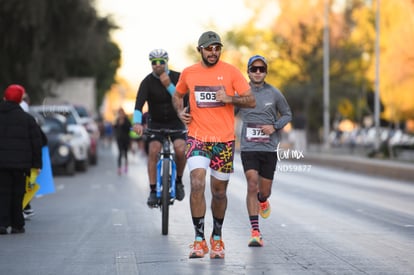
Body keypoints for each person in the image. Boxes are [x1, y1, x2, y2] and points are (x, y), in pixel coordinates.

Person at [172, 31, 256, 259]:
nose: (213, 52)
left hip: (224, 141)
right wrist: (180, 112)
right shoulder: (189, 73)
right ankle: (199, 240)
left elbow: (251, 99)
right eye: (209, 48)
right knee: (197, 183)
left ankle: (216, 238)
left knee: (219, 193)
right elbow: (177, 94)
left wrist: (231, 99)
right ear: (200, 49)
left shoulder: (231, 72)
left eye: (217, 48)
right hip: (197, 137)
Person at [237, 55, 292, 247]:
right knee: (252, 184)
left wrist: (275, 126)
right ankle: (255, 232)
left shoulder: (274, 93)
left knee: (264, 191)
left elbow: (287, 114)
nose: (258, 72)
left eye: (261, 69)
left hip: (268, 148)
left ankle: (263, 200)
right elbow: (228, 113)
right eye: (254, 69)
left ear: (266, 72)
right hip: (248, 147)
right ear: (248, 71)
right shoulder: (242, 93)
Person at [132, 49, 187, 206]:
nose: (157, 65)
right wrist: (136, 123)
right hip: (155, 123)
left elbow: (182, 100)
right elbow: (138, 105)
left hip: (176, 122)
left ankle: (178, 181)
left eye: (160, 62)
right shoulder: (147, 82)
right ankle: (152, 190)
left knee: (180, 149)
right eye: (154, 63)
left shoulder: (178, 77)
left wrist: (168, 85)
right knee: (153, 151)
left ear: (166, 62)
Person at [0, 84, 43, 234]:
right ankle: (17, 224)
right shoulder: (28, 120)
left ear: (4, 98)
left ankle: (2, 223)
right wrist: (37, 164)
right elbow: (38, 142)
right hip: (21, 165)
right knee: (18, 194)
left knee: (2, 193)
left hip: (1, 165)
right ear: (20, 100)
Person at [113, 107, 132, 175]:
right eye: (119, 113)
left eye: (121, 113)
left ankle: (126, 166)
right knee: (120, 153)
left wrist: (123, 124)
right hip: (119, 139)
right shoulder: (117, 120)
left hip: (126, 139)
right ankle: (119, 168)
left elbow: (129, 128)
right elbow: (115, 128)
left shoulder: (126, 120)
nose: (121, 114)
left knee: (126, 153)